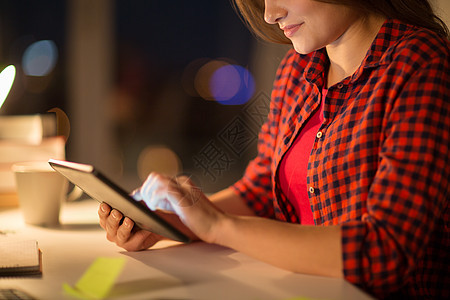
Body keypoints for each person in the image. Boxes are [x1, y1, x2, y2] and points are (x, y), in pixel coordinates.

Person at [98, 0, 450, 298]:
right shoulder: (299, 68)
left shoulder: (421, 65)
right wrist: (172, 223)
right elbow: (263, 189)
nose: (269, 13)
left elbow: (384, 251)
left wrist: (216, 225)